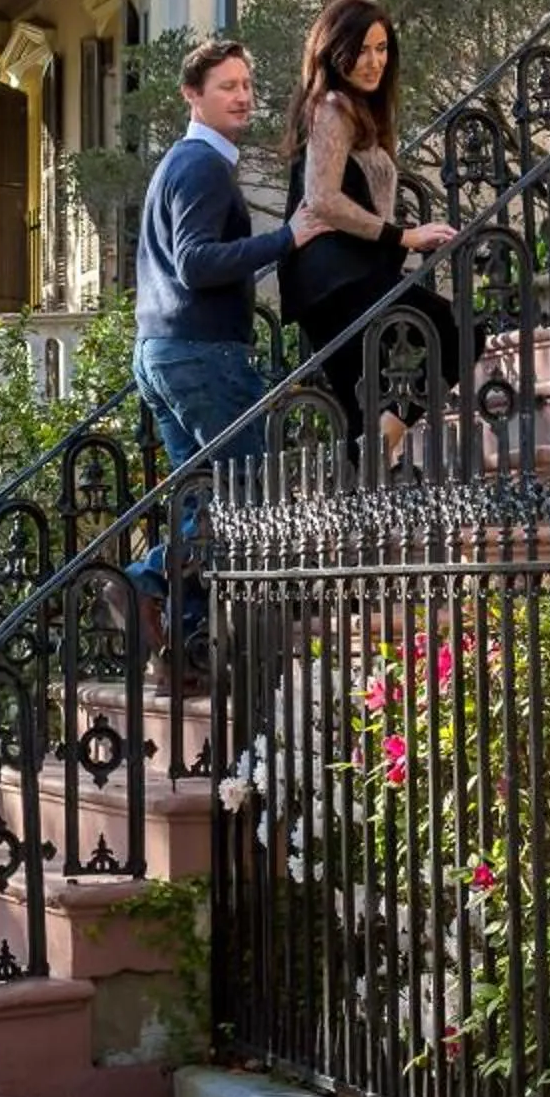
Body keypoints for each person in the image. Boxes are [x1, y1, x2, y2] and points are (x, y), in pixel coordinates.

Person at [126, 38, 322, 649]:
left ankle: (182, 638)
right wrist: (287, 239)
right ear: (192, 95)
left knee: (207, 497)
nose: (242, 97)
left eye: (246, 85)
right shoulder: (202, 166)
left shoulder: (181, 164)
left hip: (161, 351)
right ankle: (148, 575)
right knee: (252, 483)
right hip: (200, 352)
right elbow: (194, 262)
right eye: (226, 87)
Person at [282, 0, 461, 460]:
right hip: (336, 279)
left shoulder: (356, 111)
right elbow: (321, 197)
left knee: (362, 406)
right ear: (334, 50)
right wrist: (403, 235)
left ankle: (369, 466)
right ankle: (383, 446)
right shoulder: (333, 106)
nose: (374, 61)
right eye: (362, 49)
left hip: (338, 279)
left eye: (382, 49)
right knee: (456, 329)